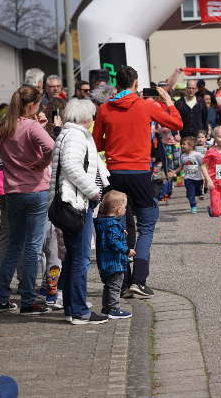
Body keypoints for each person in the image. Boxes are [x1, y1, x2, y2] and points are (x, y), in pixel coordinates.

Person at [93, 66, 182, 299]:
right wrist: (168, 100)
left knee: (119, 224)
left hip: (114, 172)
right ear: (136, 82)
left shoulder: (104, 109)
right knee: (147, 222)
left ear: (117, 84)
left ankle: (122, 282)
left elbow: (97, 144)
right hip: (139, 172)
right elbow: (176, 124)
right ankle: (139, 281)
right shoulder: (146, 105)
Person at [0, 86, 55, 315]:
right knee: (33, 247)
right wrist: (43, 162)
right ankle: (28, 299)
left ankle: (2, 298)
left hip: (13, 191)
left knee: (14, 245)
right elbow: (51, 147)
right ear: (31, 106)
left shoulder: (6, 125)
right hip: (36, 190)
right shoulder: (32, 126)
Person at [48, 97, 111, 324]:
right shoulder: (76, 136)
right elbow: (72, 166)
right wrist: (93, 191)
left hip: (70, 201)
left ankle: (72, 307)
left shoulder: (67, 133)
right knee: (80, 258)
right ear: (85, 117)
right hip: (76, 202)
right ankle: (79, 311)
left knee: (74, 256)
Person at [93, 191, 134, 319]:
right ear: (118, 209)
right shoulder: (113, 224)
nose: (126, 210)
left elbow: (110, 236)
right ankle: (113, 308)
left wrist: (122, 232)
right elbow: (113, 242)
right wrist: (127, 250)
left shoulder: (105, 222)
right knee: (115, 286)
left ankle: (106, 307)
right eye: (125, 207)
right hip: (114, 261)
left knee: (109, 285)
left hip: (106, 261)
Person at [180, 136, 204, 213]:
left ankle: (201, 192)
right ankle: (193, 206)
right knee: (190, 193)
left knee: (197, 192)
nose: (182, 146)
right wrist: (174, 171)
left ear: (191, 146)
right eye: (182, 144)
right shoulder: (183, 156)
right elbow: (181, 166)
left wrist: (206, 175)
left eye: (184, 144)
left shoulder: (197, 155)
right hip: (188, 178)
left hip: (198, 178)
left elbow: (203, 165)